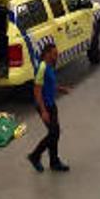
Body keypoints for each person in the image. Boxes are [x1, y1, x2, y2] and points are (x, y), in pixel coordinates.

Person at [27, 43, 71, 173]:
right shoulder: (41, 68)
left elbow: (50, 83)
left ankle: (54, 162)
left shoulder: (50, 66)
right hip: (44, 106)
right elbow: (37, 90)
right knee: (53, 133)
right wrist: (43, 111)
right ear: (47, 54)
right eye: (54, 54)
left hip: (51, 104)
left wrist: (60, 88)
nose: (56, 56)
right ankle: (35, 155)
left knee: (55, 134)